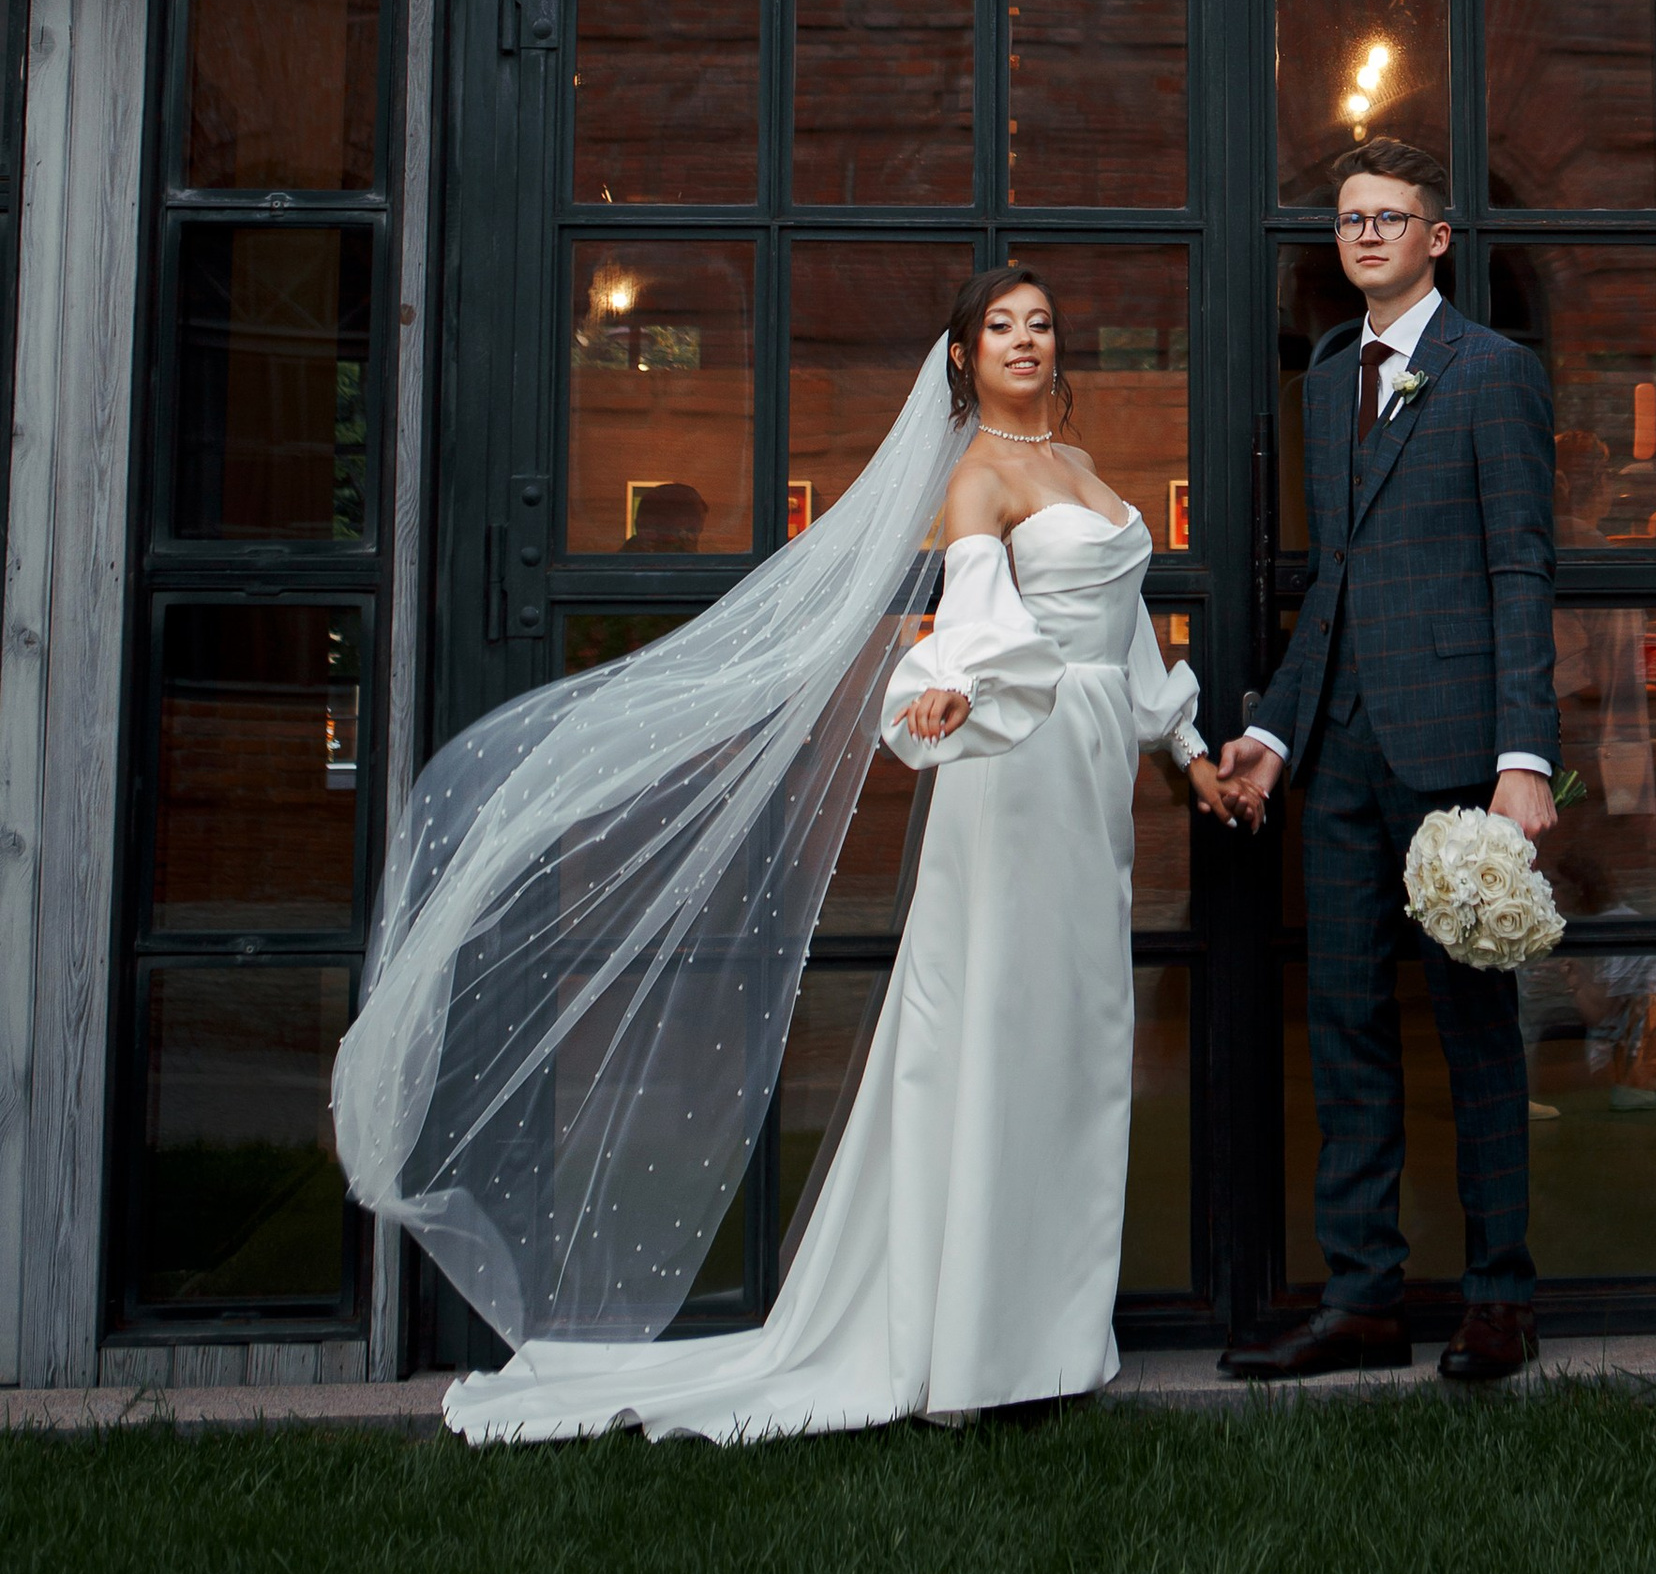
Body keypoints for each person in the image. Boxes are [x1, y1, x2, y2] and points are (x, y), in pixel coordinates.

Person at [340, 269, 1234, 1442]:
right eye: (999, 328)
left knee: (1078, 1039)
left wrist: (1194, 749)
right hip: (1010, 775)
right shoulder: (979, 478)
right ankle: (967, 1352)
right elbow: (970, 621)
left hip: (1090, 785)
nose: (1024, 340)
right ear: (961, 358)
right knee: (991, 1038)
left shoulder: (1077, 467)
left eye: (1041, 324)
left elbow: (1123, 634)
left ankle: (1052, 1336)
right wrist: (946, 694)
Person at [1215, 140, 1557, 1386]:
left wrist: (1525, 758)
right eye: (1350, 220)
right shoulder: (1322, 378)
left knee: (1473, 1033)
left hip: (1459, 750)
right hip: (1345, 761)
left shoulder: (1492, 372)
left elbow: (1521, 568)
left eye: (1389, 218)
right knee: (1347, 1026)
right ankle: (1362, 1299)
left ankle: (1497, 1302)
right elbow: (1337, 580)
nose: (1365, 235)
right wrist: (1276, 731)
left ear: (1437, 237)